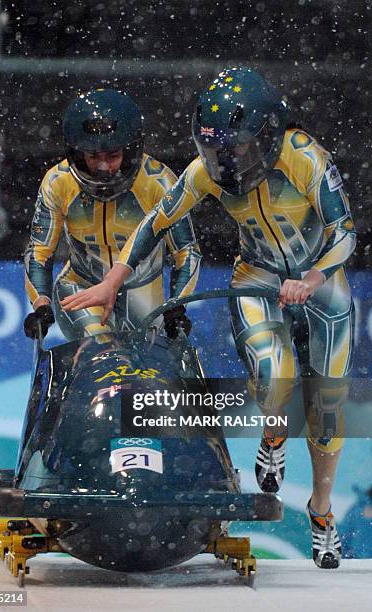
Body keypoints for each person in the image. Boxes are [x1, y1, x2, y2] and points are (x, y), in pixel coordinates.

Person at [61, 67, 357, 568]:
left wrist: (313, 278)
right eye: (215, 151)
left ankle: (321, 511)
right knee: (276, 376)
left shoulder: (305, 157)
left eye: (236, 149)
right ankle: (273, 434)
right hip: (257, 278)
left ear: (266, 136)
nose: (226, 163)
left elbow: (344, 229)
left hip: (323, 286)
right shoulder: (205, 173)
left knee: (328, 410)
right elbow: (157, 224)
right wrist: (114, 280)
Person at [23, 88, 201, 343]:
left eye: (113, 156)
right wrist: (41, 305)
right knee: (101, 350)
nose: (103, 166)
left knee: (142, 371)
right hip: (81, 288)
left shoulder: (159, 182)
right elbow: (39, 251)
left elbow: (186, 250)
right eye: (93, 156)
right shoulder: (57, 182)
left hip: (143, 294)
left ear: (129, 151)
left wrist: (176, 305)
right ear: (77, 154)